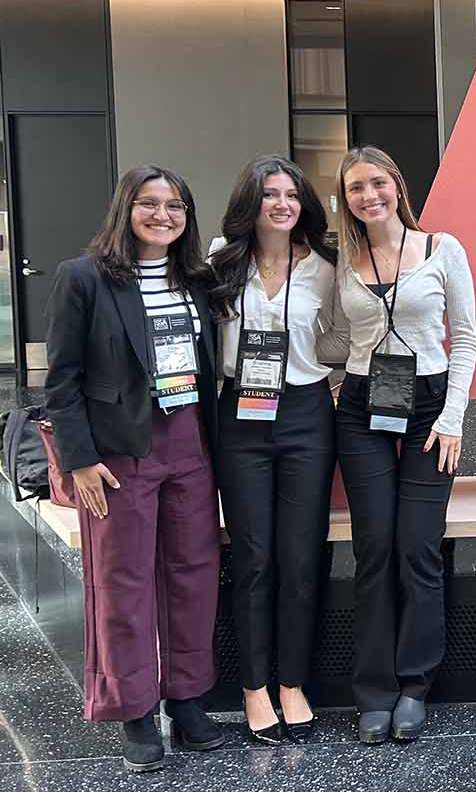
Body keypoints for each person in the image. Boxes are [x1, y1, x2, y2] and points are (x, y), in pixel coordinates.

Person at [44, 165, 227, 772]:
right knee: (121, 585)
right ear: (125, 209)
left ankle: (187, 699)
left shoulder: (195, 279)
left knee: (192, 576)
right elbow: (62, 380)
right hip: (117, 454)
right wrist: (81, 460)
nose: (162, 215)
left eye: (175, 205)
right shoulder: (84, 279)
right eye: (149, 204)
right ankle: (136, 711)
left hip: (190, 443)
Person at [331, 146, 476, 744]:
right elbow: (334, 334)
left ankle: (414, 685)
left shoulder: (443, 250)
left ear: (397, 184)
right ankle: (374, 690)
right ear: (345, 201)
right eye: (354, 189)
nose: (368, 196)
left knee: (417, 548)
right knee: (374, 551)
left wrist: (452, 419)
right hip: (363, 407)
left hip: (429, 410)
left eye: (377, 183)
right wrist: (338, 373)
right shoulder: (339, 259)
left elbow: (466, 339)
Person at [208, 155, 346, 745]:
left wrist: (321, 360)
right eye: (270, 194)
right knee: (255, 557)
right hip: (240, 415)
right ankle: (253, 686)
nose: (282, 204)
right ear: (252, 202)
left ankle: (292, 682)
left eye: (292, 194)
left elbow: (342, 335)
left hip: (307, 414)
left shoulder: (325, 267)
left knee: (300, 558)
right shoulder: (219, 259)